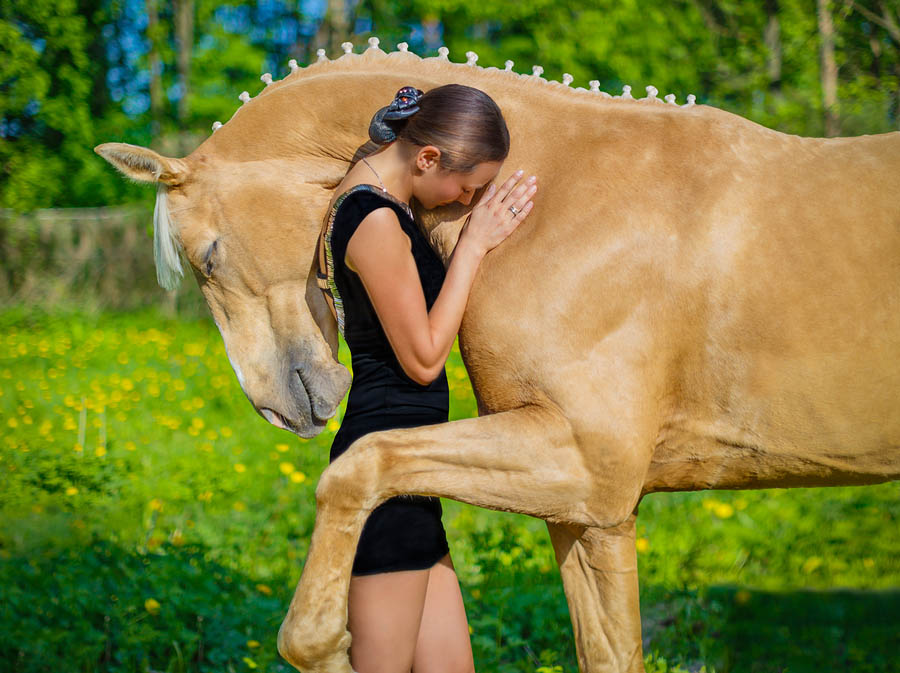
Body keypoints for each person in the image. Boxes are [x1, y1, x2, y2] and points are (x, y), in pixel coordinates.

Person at [316, 83, 537, 673]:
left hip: (412, 466)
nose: (468, 199)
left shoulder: (377, 198)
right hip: (384, 470)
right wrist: (473, 247)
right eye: (465, 186)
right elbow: (422, 359)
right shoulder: (374, 221)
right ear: (427, 157)